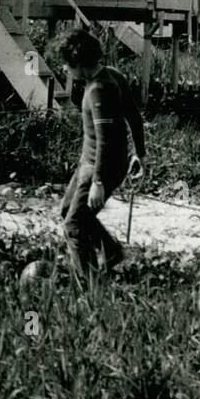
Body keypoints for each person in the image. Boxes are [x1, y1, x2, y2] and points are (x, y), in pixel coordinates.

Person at [56, 29, 146, 280]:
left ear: (78, 64)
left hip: (100, 167)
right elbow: (134, 117)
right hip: (92, 163)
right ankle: (111, 250)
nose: (64, 69)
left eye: (66, 64)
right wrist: (140, 154)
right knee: (67, 212)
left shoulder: (97, 90)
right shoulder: (113, 75)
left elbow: (105, 140)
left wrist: (98, 183)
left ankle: (90, 285)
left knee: (73, 226)